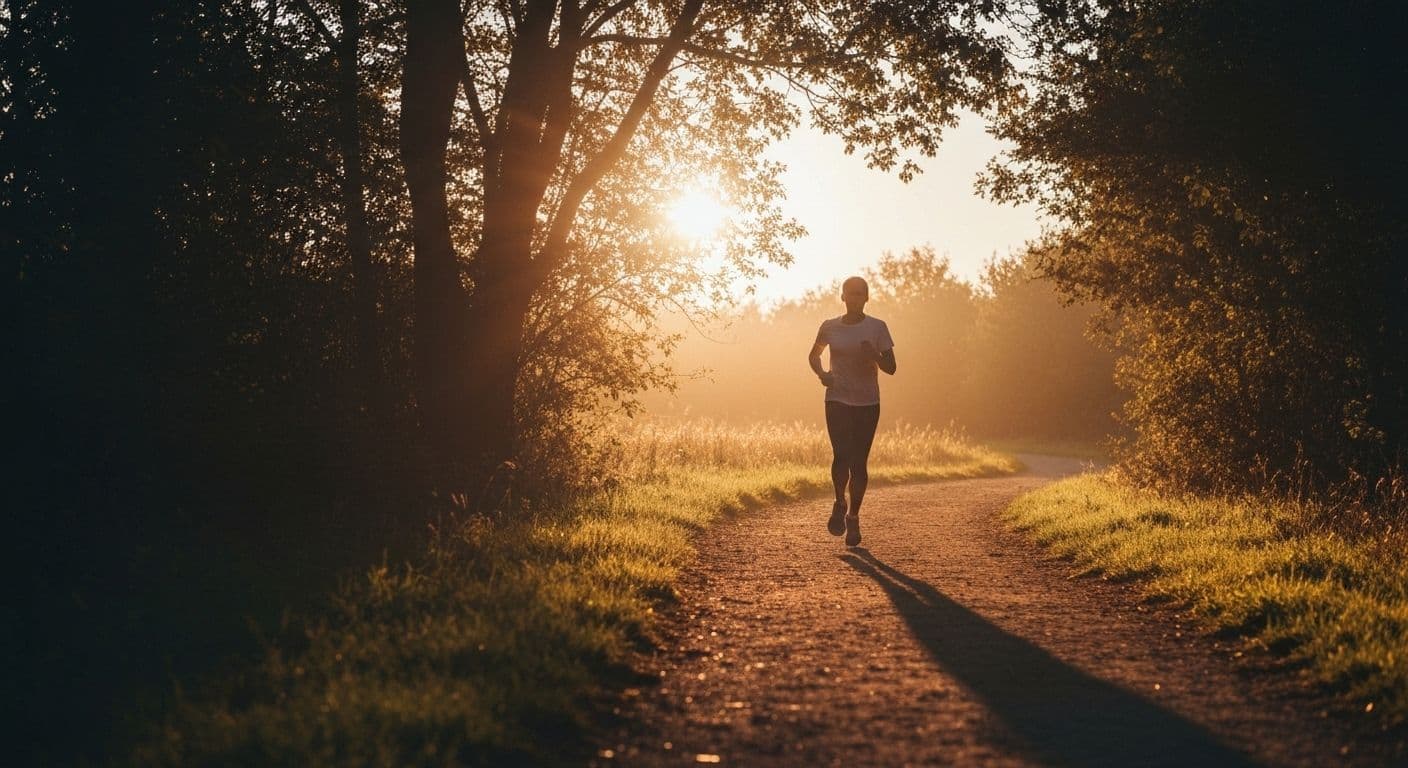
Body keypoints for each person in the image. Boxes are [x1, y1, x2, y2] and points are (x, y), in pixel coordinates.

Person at [808, 276, 896, 547]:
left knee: (859, 463)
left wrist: (874, 355)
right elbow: (814, 355)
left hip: (867, 402)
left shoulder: (877, 327)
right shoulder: (830, 327)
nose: (855, 298)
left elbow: (891, 368)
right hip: (837, 398)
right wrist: (823, 374)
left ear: (867, 298)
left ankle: (853, 516)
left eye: (860, 294)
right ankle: (838, 500)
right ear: (843, 297)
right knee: (841, 456)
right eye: (850, 294)